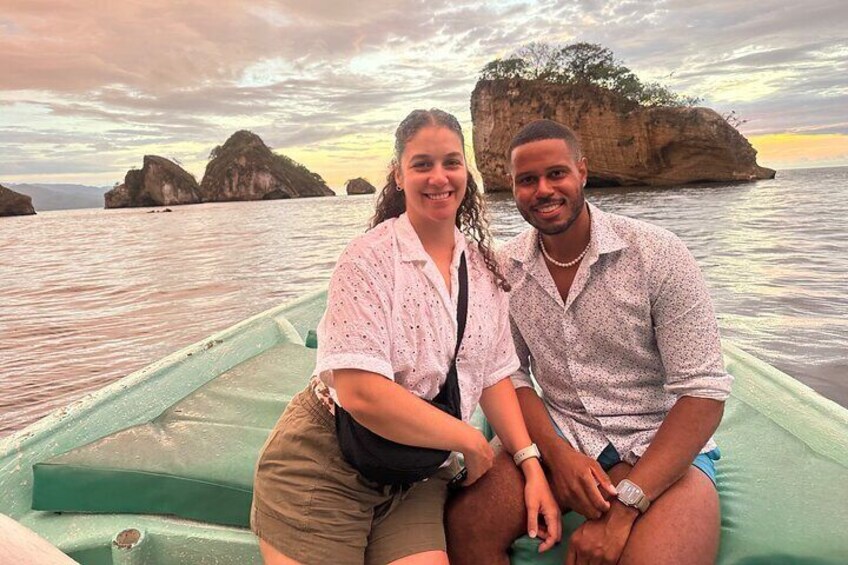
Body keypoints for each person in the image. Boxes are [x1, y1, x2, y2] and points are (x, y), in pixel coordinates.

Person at [251, 109, 561, 565]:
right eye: (422, 164)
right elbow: (361, 393)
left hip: (414, 471)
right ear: (399, 175)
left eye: (451, 163)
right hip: (327, 457)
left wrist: (530, 464)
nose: (439, 177)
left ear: (466, 172)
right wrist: (471, 441)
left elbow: (494, 375)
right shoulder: (369, 260)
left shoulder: (484, 268)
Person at [446, 119, 733, 565]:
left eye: (556, 173)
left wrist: (623, 510)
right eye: (528, 180)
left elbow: (703, 392)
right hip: (563, 431)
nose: (543, 189)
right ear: (512, 186)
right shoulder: (505, 269)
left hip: (655, 436)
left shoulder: (657, 253)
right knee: (466, 526)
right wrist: (557, 456)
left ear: (582, 171)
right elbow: (512, 374)